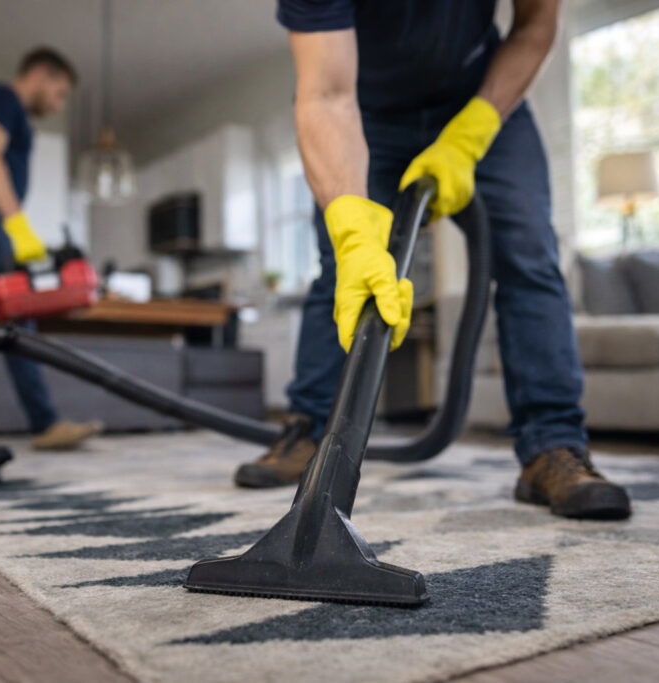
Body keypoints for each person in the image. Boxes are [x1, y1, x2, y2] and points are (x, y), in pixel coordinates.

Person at [234, 0, 631, 520]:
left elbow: (536, 26)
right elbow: (326, 93)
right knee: (341, 265)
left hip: (481, 98)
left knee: (529, 258)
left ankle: (550, 447)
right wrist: (351, 225)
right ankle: (311, 430)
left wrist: (471, 134)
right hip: (362, 108)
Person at [0, 47, 102, 450]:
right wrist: (17, 223)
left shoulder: (13, 111)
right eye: (60, 92)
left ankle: (44, 423)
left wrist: (12, 229)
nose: (58, 103)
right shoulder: (1, 96)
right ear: (42, 74)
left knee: (16, 323)